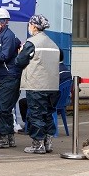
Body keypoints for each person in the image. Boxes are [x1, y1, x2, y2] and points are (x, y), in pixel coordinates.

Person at [15, 14, 60, 154]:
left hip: (37, 85)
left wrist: (20, 52)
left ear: (34, 26)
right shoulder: (53, 44)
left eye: (29, 24)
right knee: (48, 114)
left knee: (36, 115)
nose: (29, 27)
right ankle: (48, 143)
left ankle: (38, 144)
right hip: (53, 86)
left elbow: (19, 61)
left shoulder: (32, 43)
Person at [0, 8, 22, 149]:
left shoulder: (8, 36)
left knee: (2, 108)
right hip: (5, 77)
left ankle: (3, 138)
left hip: (9, 77)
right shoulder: (1, 36)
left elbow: (3, 56)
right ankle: (9, 137)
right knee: (5, 108)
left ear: (2, 22)